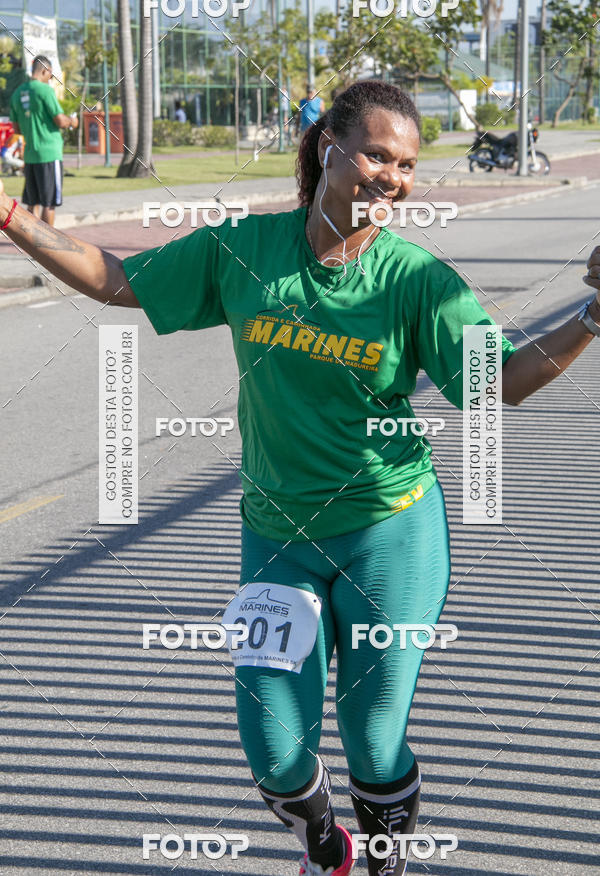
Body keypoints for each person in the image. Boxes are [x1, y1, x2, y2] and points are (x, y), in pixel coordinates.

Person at [1, 80, 600, 876]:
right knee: (275, 749)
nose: (393, 176)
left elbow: (496, 384)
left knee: (374, 737)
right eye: (378, 154)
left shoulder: (414, 278)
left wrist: (592, 316)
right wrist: (12, 218)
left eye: (408, 165)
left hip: (392, 530)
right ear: (329, 147)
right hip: (278, 534)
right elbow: (118, 279)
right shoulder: (245, 249)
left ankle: (384, 859)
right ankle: (326, 839)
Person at [9, 55, 77, 227]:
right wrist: (72, 121)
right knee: (49, 203)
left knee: (32, 203)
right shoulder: (45, 90)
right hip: (49, 153)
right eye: (51, 75)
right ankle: (49, 244)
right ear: (44, 71)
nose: (51, 79)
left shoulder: (17, 93)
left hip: (31, 155)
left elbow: (16, 129)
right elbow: (60, 120)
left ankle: (32, 242)